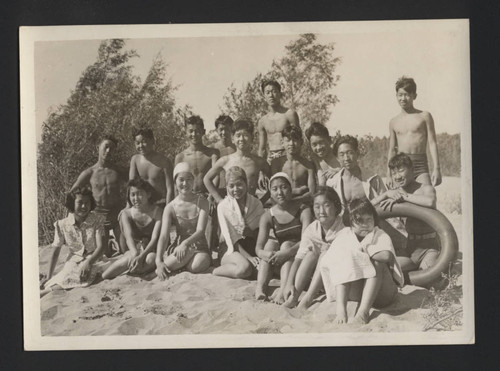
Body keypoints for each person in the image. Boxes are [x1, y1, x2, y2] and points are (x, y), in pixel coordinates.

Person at [320, 199, 404, 324]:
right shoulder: (345, 235)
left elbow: (386, 256)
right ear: (350, 222)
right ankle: (341, 310)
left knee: (376, 262)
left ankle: (363, 312)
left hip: (384, 293)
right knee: (341, 259)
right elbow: (329, 260)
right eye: (359, 221)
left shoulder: (379, 234)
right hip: (358, 293)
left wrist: (363, 250)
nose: (365, 224)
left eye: (369, 219)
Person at [373, 153, 439, 275]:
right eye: (393, 173)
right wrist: (385, 194)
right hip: (410, 247)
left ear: (412, 170)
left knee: (428, 278)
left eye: (401, 171)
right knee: (388, 269)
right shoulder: (394, 193)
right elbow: (367, 208)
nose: (397, 177)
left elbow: (430, 201)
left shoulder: (426, 188)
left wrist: (405, 197)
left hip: (429, 247)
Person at [254, 172, 313, 303]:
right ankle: (260, 288)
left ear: (290, 189)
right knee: (269, 244)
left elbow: (306, 241)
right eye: (275, 189)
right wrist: (266, 254)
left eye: (283, 187)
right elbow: (258, 248)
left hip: (300, 257)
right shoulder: (267, 215)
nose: (279, 192)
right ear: (270, 192)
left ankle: (282, 290)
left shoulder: (303, 210)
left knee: (286, 244)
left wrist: (285, 252)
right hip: (281, 260)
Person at [283, 187, 344, 309]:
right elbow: (299, 258)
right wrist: (289, 283)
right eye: (317, 206)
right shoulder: (312, 229)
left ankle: (307, 299)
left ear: (336, 207)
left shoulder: (343, 227)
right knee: (311, 253)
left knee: (325, 253)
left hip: (339, 278)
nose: (321, 211)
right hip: (316, 277)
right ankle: (294, 297)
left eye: (326, 205)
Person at [40, 187, 107, 297]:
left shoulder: (97, 220)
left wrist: (89, 262)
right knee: (66, 275)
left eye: (87, 203)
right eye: (80, 202)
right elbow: (56, 251)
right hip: (73, 260)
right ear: (72, 203)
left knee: (83, 276)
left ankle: (45, 293)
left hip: (94, 258)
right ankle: (48, 288)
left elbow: (101, 247)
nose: (84, 206)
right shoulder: (62, 225)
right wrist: (49, 275)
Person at [70, 136, 127, 256]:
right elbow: (72, 193)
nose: (108, 151)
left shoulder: (119, 170)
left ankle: (115, 243)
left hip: (117, 217)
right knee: (104, 255)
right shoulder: (89, 173)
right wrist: (80, 215)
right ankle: (110, 244)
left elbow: (135, 183)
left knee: (125, 251)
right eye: (106, 147)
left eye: (112, 149)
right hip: (99, 219)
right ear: (98, 147)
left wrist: (129, 205)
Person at [155, 163, 211, 279]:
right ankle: (164, 268)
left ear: (193, 181)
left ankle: (178, 265)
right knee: (185, 254)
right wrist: (158, 260)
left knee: (196, 266)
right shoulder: (170, 207)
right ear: (175, 182)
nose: (185, 184)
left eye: (189, 179)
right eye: (181, 180)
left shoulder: (202, 202)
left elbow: (200, 231)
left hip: (200, 248)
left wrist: (185, 243)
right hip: (178, 249)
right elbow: (164, 236)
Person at [101, 178, 162, 279]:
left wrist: (141, 256)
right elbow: (129, 237)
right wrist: (135, 254)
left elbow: (155, 238)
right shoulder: (126, 213)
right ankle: (128, 267)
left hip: (151, 250)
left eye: (139, 194)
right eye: (132, 194)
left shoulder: (158, 211)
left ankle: (132, 269)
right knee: (106, 275)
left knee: (151, 258)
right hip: (133, 249)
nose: (136, 198)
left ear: (148, 194)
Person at [388, 76, 442, 186]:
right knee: (400, 200)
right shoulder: (393, 121)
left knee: (429, 197)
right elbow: (392, 149)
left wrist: (437, 168)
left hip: (420, 164)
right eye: (400, 95)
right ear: (396, 96)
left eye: (407, 94)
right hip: (401, 166)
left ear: (414, 96)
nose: (403, 98)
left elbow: (432, 143)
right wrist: (389, 174)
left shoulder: (424, 116)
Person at [212, 166, 264, 279]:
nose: (236, 189)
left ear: (246, 183)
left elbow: (261, 233)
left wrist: (250, 233)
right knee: (244, 269)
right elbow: (231, 239)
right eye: (231, 186)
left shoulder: (256, 204)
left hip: (251, 245)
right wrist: (249, 257)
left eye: (239, 184)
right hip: (230, 247)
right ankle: (216, 271)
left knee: (262, 270)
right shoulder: (223, 206)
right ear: (226, 187)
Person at [204, 119, 270, 203]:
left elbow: (274, 181)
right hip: (231, 207)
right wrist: (219, 200)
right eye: (238, 135)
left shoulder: (259, 162)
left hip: (251, 207)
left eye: (245, 135)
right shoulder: (226, 160)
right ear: (232, 139)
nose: (241, 139)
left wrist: (261, 201)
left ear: (252, 138)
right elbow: (207, 179)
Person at [257, 79, 300, 163]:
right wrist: (261, 170)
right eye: (268, 92)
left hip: (288, 157)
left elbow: (298, 140)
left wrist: (296, 161)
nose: (271, 95)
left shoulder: (289, 114)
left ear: (280, 94)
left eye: (274, 91)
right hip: (271, 159)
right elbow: (262, 148)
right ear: (264, 96)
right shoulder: (262, 121)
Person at [271, 125, 316, 203]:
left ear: (301, 142)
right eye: (288, 140)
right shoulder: (276, 163)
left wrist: (294, 201)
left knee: (306, 214)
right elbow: (274, 190)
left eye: (295, 140)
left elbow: (312, 193)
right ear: (282, 142)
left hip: (302, 204)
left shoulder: (308, 165)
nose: (291, 143)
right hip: (281, 204)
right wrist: (298, 191)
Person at [129, 128, 174, 207]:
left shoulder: (164, 161)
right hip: (142, 205)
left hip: (161, 204)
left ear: (153, 141)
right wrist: (128, 206)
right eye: (138, 143)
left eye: (144, 142)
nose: (141, 146)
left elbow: (170, 189)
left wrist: (167, 210)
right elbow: (131, 186)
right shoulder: (135, 160)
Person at [175, 115, 220, 194]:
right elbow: (176, 183)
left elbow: (216, 176)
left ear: (203, 132)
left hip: (208, 197)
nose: (194, 134)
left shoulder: (212, 153)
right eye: (191, 131)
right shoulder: (180, 157)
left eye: (197, 131)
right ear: (186, 132)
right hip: (188, 198)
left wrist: (212, 195)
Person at [304, 122, 341, 186]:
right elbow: (322, 184)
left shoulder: (340, 154)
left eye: (321, 142)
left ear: (329, 140)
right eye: (314, 145)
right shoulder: (315, 160)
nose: (318, 148)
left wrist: (338, 171)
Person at [210, 114, 236, 195]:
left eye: (227, 129)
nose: (224, 132)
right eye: (221, 129)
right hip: (217, 191)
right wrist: (212, 194)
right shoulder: (212, 149)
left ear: (232, 129)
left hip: (235, 190)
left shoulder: (237, 149)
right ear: (216, 130)